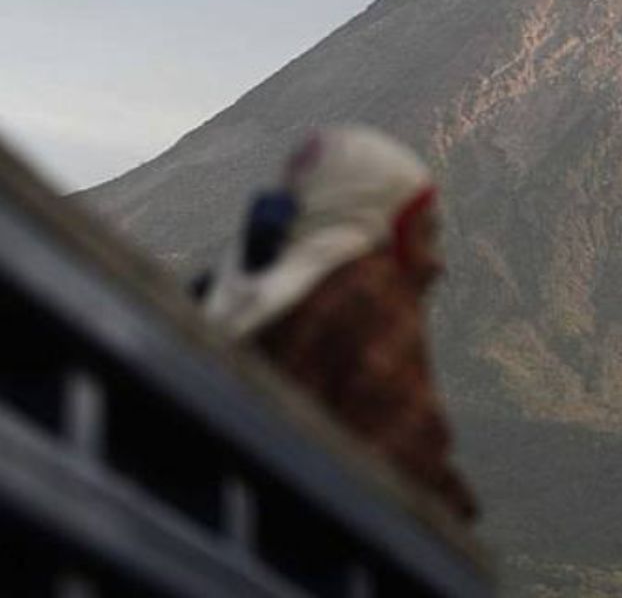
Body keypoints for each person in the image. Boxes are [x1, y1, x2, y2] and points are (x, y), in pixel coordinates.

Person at [198, 124, 477, 521]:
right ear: (381, 222)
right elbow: (410, 457)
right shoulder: (369, 296)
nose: (435, 262)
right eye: (423, 233)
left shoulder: (229, 296)